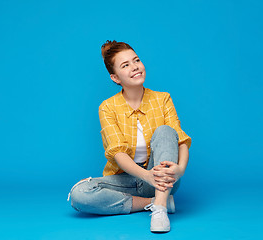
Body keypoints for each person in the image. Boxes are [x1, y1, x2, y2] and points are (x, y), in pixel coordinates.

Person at [67, 40, 191, 233]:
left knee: (165, 131)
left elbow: (181, 140)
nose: (135, 67)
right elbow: (118, 153)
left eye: (136, 60)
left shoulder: (163, 98)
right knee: (80, 194)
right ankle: (156, 202)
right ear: (115, 78)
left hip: (162, 178)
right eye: (125, 65)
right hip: (127, 180)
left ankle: (159, 209)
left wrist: (180, 170)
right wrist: (146, 176)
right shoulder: (108, 107)